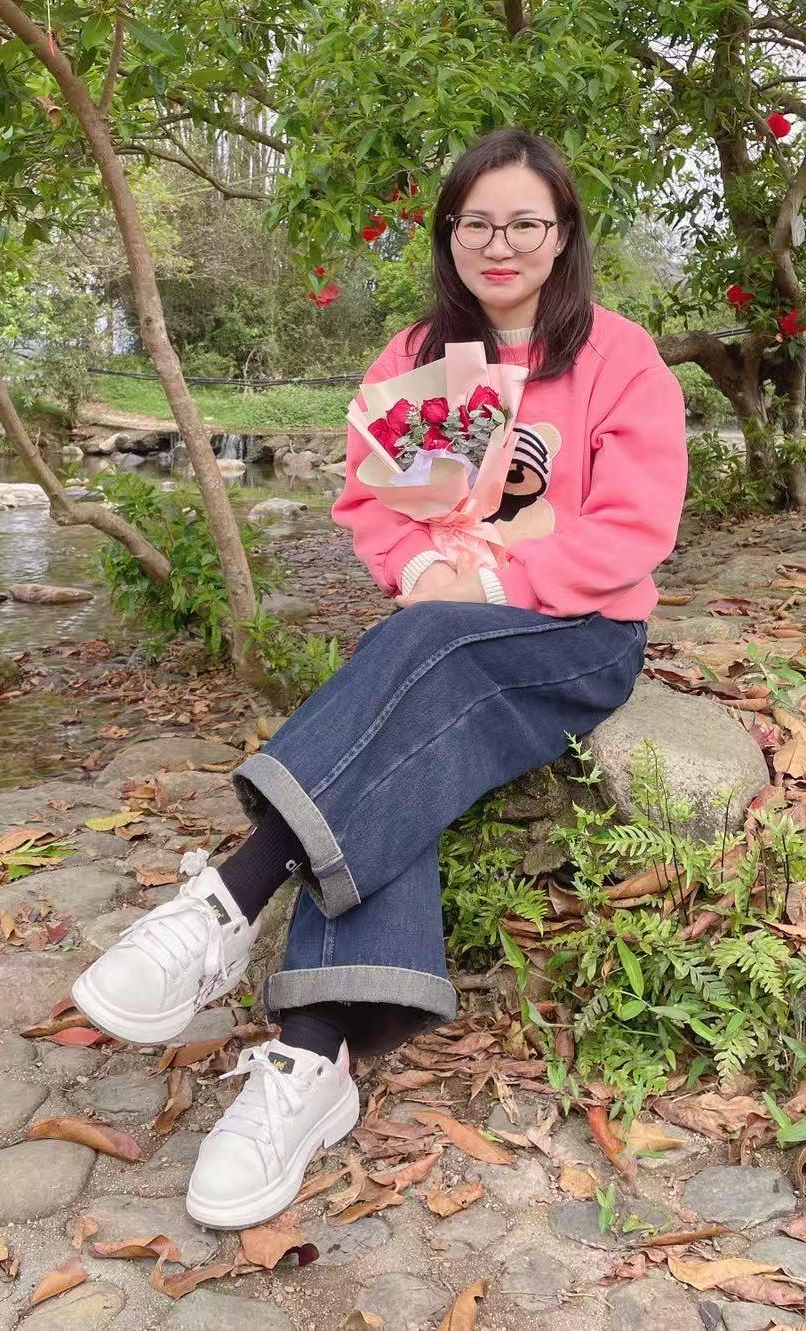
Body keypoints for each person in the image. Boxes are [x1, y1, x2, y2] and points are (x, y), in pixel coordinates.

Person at [72, 126, 688, 1232]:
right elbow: (370, 503)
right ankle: (313, 1065)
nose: (500, 244)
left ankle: (226, 902)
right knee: (408, 711)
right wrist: (417, 569)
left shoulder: (615, 356)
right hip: (437, 623)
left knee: (413, 659)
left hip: (576, 632)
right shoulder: (417, 356)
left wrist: (492, 577)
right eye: (476, 223)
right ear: (448, 233)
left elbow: (634, 527)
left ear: (562, 234)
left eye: (525, 223)